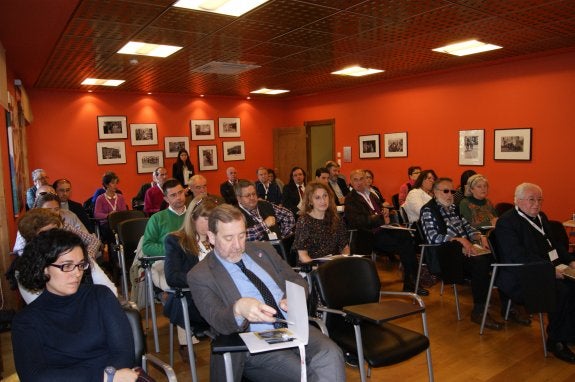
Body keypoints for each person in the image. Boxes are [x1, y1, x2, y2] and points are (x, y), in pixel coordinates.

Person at [187, 204, 345, 382]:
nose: (238, 245)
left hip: (292, 327)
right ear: (212, 237)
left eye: (242, 235)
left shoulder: (264, 250)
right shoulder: (200, 275)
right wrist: (238, 308)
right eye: (229, 238)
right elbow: (218, 320)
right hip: (254, 341)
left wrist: (293, 297)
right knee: (306, 376)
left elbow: (296, 280)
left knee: (332, 354)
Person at [12, 229, 138, 382]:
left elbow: (123, 353)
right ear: (43, 268)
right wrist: (104, 377)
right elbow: (33, 376)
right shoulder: (26, 321)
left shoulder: (100, 296)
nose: (77, 273)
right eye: (66, 266)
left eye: (80, 265)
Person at [494, 183, 575, 363]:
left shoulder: (541, 216)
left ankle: (569, 332)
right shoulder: (507, 222)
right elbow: (516, 255)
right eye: (531, 199)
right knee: (562, 291)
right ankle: (556, 342)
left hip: (549, 267)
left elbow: (554, 244)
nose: (536, 204)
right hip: (523, 274)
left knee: (572, 283)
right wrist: (549, 270)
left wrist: (570, 260)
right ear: (518, 200)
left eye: (539, 200)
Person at [420, 177, 501, 330]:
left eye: (452, 191)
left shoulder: (454, 208)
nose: (449, 195)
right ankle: (479, 310)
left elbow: (468, 228)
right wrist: (459, 240)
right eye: (445, 191)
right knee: (481, 263)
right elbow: (433, 238)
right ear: (435, 192)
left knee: (498, 254)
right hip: (445, 255)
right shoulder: (428, 210)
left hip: (464, 250)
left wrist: (480, 236)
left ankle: (508, 306)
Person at [344, 169, 427, 295]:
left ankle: (411, 282)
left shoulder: (371, 195)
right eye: (355, 180)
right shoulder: (350, 199)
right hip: (368, 235)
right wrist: (380, 218)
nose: (359, 182)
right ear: (350, 182)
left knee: (407, 237)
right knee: (406, 244)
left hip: (383, 229)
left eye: (361, 179)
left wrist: (385, 211)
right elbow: (356, 221)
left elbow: (380, 210)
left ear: (366, 180)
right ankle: (411, 283)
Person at [14, 208, 116, 303]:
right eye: (48, 235)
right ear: (34, 241)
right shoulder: (25, 269)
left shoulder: (78, 257)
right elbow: (41, 307)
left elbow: (110, 292)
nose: (55, 238)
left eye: (57, 232)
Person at [164, 196, 217, 360]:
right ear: (193, 218)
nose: (210, 224)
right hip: (192, 297)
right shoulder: (176, 240)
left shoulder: (219, 239)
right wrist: (204, 279)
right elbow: (172, 277)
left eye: (213, 219)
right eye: (205, 218)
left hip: (220, 296)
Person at [294, 182, 349, 263]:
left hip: (333, 265)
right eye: (317, 198)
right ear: (310, 201)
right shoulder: (304, 221)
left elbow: (345, 248)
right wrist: (318, 271)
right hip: (312, 267)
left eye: (325, 196)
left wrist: (345, 262)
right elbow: (302, 255)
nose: (323, 201)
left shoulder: (336, 218)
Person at [93, 172, 128, 245]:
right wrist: (109, 215)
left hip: (119, 222)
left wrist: (117, 215)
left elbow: (124, 211)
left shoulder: (120, 197)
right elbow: (97, 214)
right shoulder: (100, 198)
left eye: (116, 183)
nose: (116, 185)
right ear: (106, 184)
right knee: (113, 231)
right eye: (113, 183)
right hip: (106, 224)